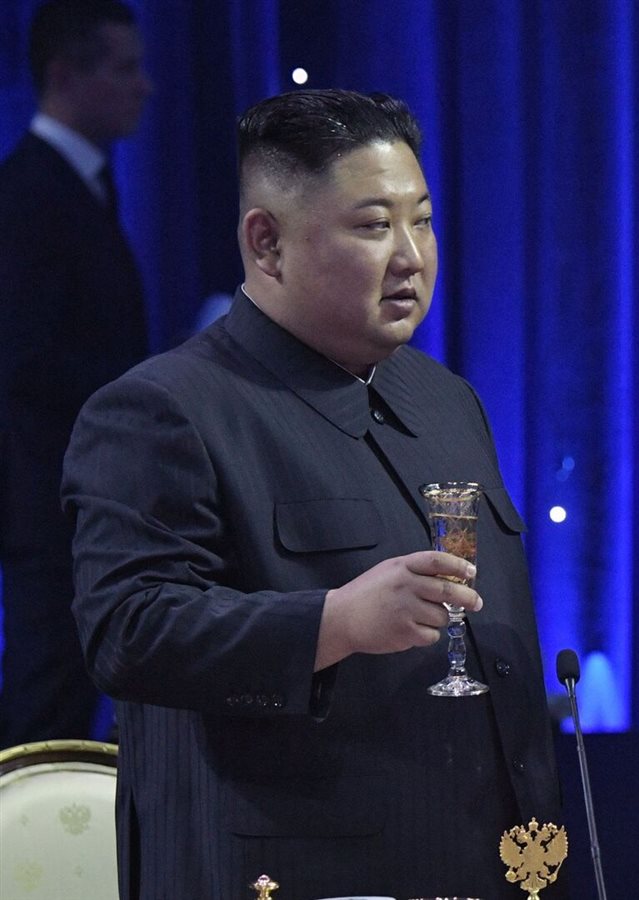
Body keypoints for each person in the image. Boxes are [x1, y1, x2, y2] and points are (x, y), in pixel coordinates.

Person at [62, 89, 564, 899]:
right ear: (267, 242)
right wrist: (335, 622)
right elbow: (130, 631)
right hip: (296, 872)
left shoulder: (445, 399)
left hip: (492, 862)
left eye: (423, 221)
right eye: (373, 226)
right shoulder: (164, 409)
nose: (411, 256)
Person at [0, 0, 151, 747]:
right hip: (48, 500)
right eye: (124, 68)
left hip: (81, 497)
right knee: (44, 704)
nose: (144, 87)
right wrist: (148, 379)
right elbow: (24, 358)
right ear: (64, 75)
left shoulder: (77, 182)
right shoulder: (28, 193)